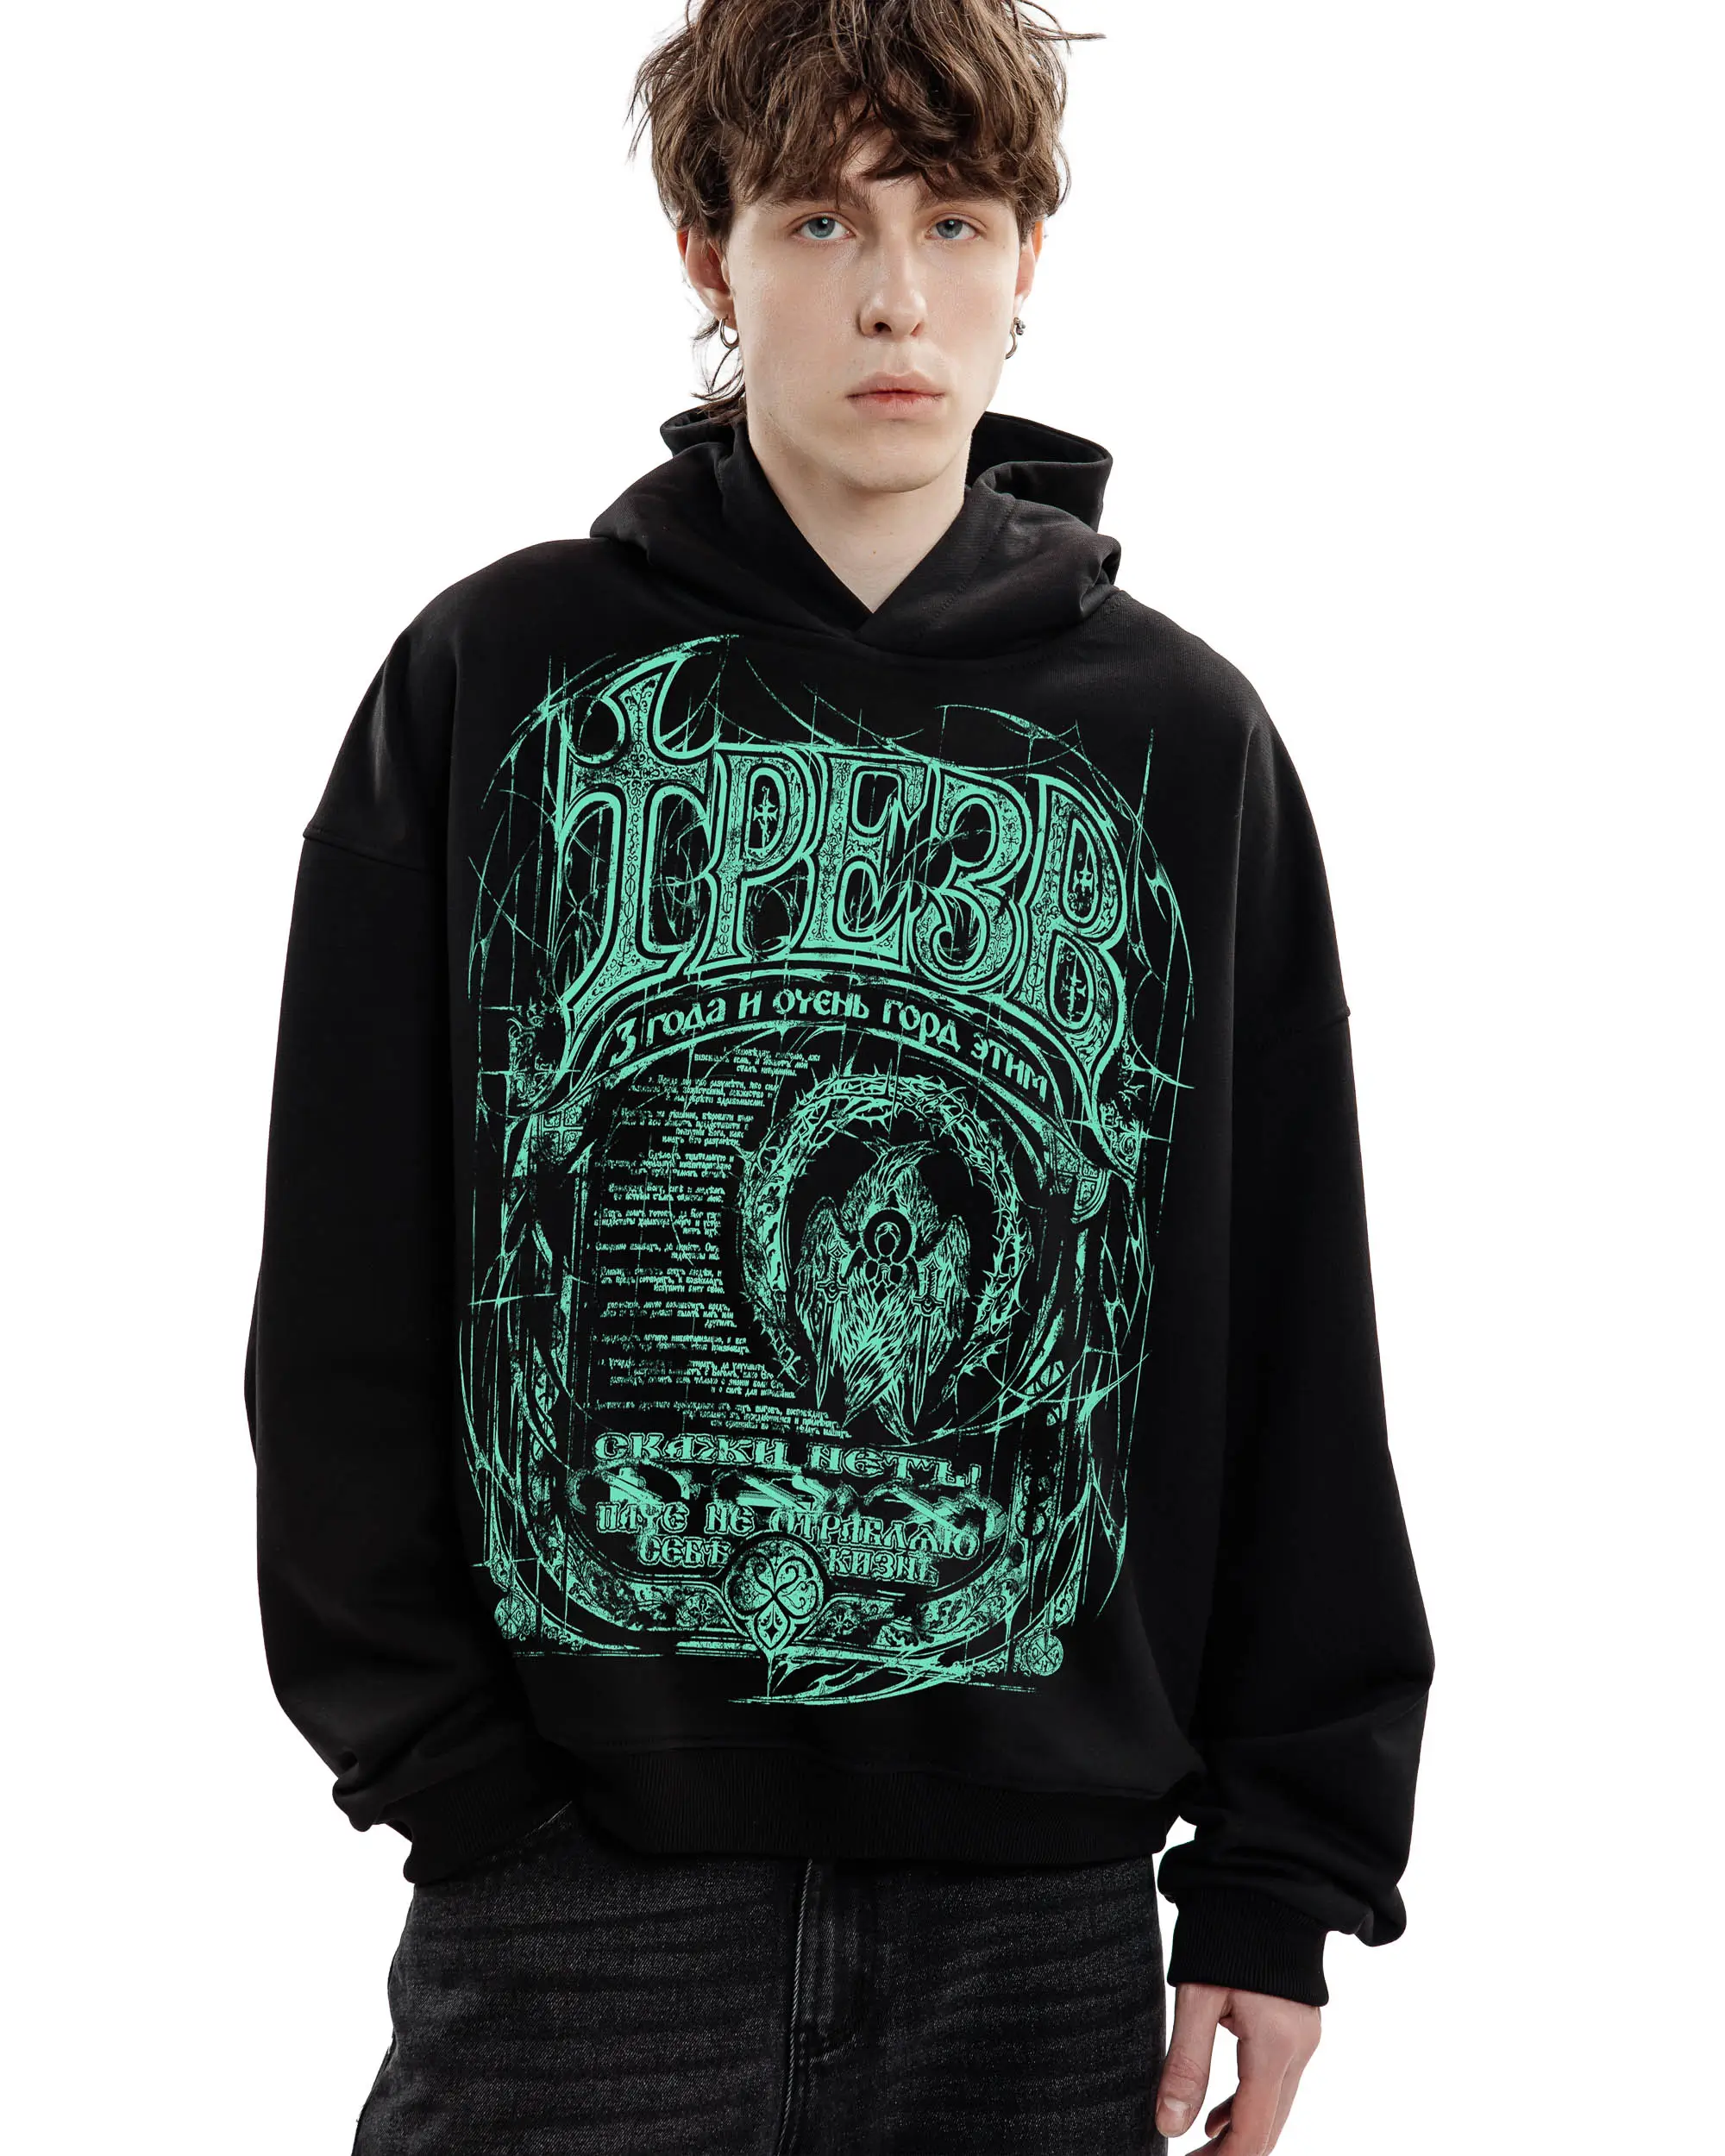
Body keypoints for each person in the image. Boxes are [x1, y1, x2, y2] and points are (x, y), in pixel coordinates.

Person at [243, 3, 1434, 2150]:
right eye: (820, 218)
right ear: (709, 252)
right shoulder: (498, 677)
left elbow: (1287, 1326)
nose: (895, 294)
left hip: (1038, 1938)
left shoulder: (1185, 744)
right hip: (583, 1912)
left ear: (1028, 254)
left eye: (951, 220)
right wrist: (461, 1784)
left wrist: (1284, 1870)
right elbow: (342, 1276)